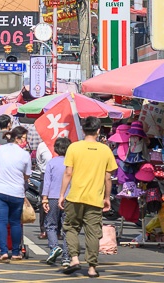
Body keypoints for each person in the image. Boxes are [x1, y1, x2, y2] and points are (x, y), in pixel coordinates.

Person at [58, 116, 117, 278]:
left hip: (75, 197)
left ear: (83, 130)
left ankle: (75, 259)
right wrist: (107, 198)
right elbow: (108, 178)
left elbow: (68, 173)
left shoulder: (74, 148)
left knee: (70, 228)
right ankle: (92, 268)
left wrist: (62, 194)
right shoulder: (105, 150)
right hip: (95, 199)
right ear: (99, 131)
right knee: (93, 233)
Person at [0, 125, 32, 262]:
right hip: (16, 192)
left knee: (1, 221)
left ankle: (3, 251)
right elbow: (27, 175)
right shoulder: (25, 155)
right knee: (15, 223)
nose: (25, 141)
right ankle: (15, 252)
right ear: (18, 139)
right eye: (24, 138)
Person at [42, 137, 72, 266]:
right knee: (67, 228)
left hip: (53, 197)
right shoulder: (73, 163)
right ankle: (66, 257)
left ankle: (54, 247)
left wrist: (44, 198)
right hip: (70, 199)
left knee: (50, 225)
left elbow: (47, 182)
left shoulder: (52, 162)